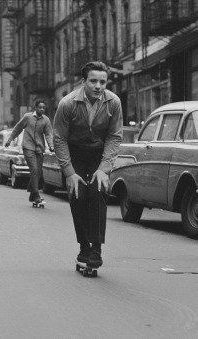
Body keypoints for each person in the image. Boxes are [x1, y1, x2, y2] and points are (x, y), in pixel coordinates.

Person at [53, 61, 123, 268]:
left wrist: (104, 169)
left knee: (98, 192)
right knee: (78, 195)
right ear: (83, 82)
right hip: (74, 153)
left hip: (98, 154)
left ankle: (97, 249)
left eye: (103, 82)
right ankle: (84, 246)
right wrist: (69, 173)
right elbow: (59, 139)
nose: (98, 86)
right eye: (93, 81)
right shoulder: (67, 104)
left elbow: (114, 136)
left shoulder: (113, 102)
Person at [4, 99, 54, 205]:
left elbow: (49, 134)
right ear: (35, 108)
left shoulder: (46, 120)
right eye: (39, 107)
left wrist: (51, 145)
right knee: (34, 170)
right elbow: (18, 128)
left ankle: (32, 195)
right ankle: (36, 195)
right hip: (28, 147)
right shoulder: (28, 117)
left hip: (40, 148)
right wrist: (9, 140)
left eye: (43, 108)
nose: (42, 109)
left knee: (38, 172)